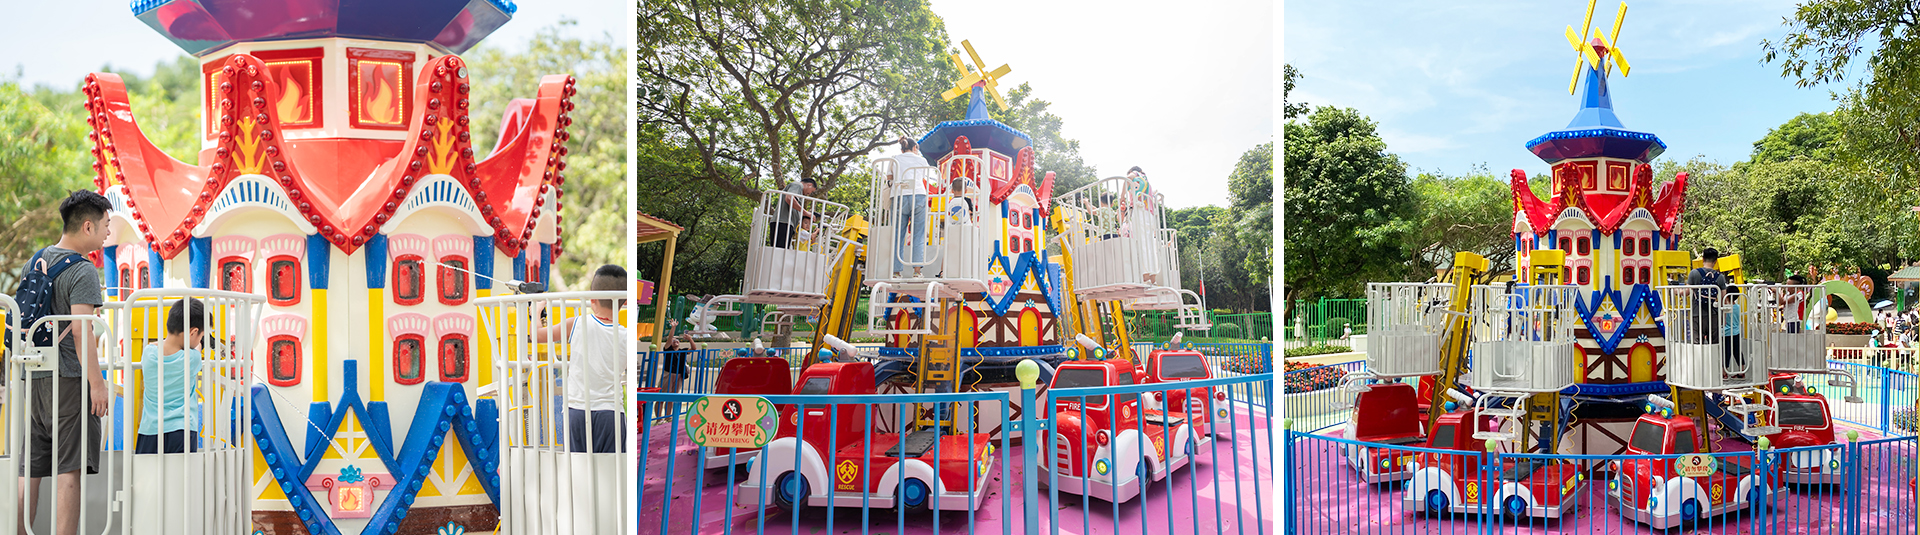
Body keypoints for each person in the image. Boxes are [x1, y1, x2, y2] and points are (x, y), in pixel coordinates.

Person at [17, 190, 111, 535]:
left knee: (30, 468)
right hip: (69, 378)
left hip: (35, 375)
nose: (108, 232)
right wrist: (97, 384)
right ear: (87, 226)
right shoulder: (83, 270)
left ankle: (18, 530)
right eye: (105, 225)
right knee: (69, 468)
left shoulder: (35, 261)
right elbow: (82, 331)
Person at [536, 265, 630, 453]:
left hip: (577, 409)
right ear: (624, 301)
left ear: (592, 298)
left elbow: (537, 335)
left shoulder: (577, 323)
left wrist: (536, 310)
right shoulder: (626, 335)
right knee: (610, 469)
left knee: (577, 468)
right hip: (611, 412)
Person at [137, 298, 205, 454]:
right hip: (182, 430)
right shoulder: (192, 358)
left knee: (147, 470)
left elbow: (157, 345)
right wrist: (199, 344)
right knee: (181, 471)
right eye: (200, 336)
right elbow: (197, 349)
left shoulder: (148, 353)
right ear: (193, 332)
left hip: (150, 430)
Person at [891, 137, 932, 276]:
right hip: (918, 194)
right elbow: (924, 176)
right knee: (918, 234)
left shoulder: (894, 159)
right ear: (915, 148)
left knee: (897, 235)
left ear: (902, 148)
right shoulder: (921, 160)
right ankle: (917, 271)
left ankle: (896, 271)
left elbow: (890, 177)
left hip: (898, 195)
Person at [1685, 248, 1730, 347]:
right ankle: (1714, 357)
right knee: (1714, 344)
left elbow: (1686, 292)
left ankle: (1698, 357)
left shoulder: (1694, 273)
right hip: (1713, 314)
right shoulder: (1720, 277)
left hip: (1697, 313)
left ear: (1703, 259)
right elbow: (1724, 298)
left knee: (1697, 344)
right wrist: (1723, 317)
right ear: (1715, 261)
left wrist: (1674, 290)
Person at [770, 178, 817, 250]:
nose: (809, 194)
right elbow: (789, 198)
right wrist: (806, 213)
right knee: (780, 251)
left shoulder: (799, 192)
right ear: (809, 185)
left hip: (785, 223)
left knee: (780, 251)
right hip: (783, 223)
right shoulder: (798, 185)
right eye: (812, 191)